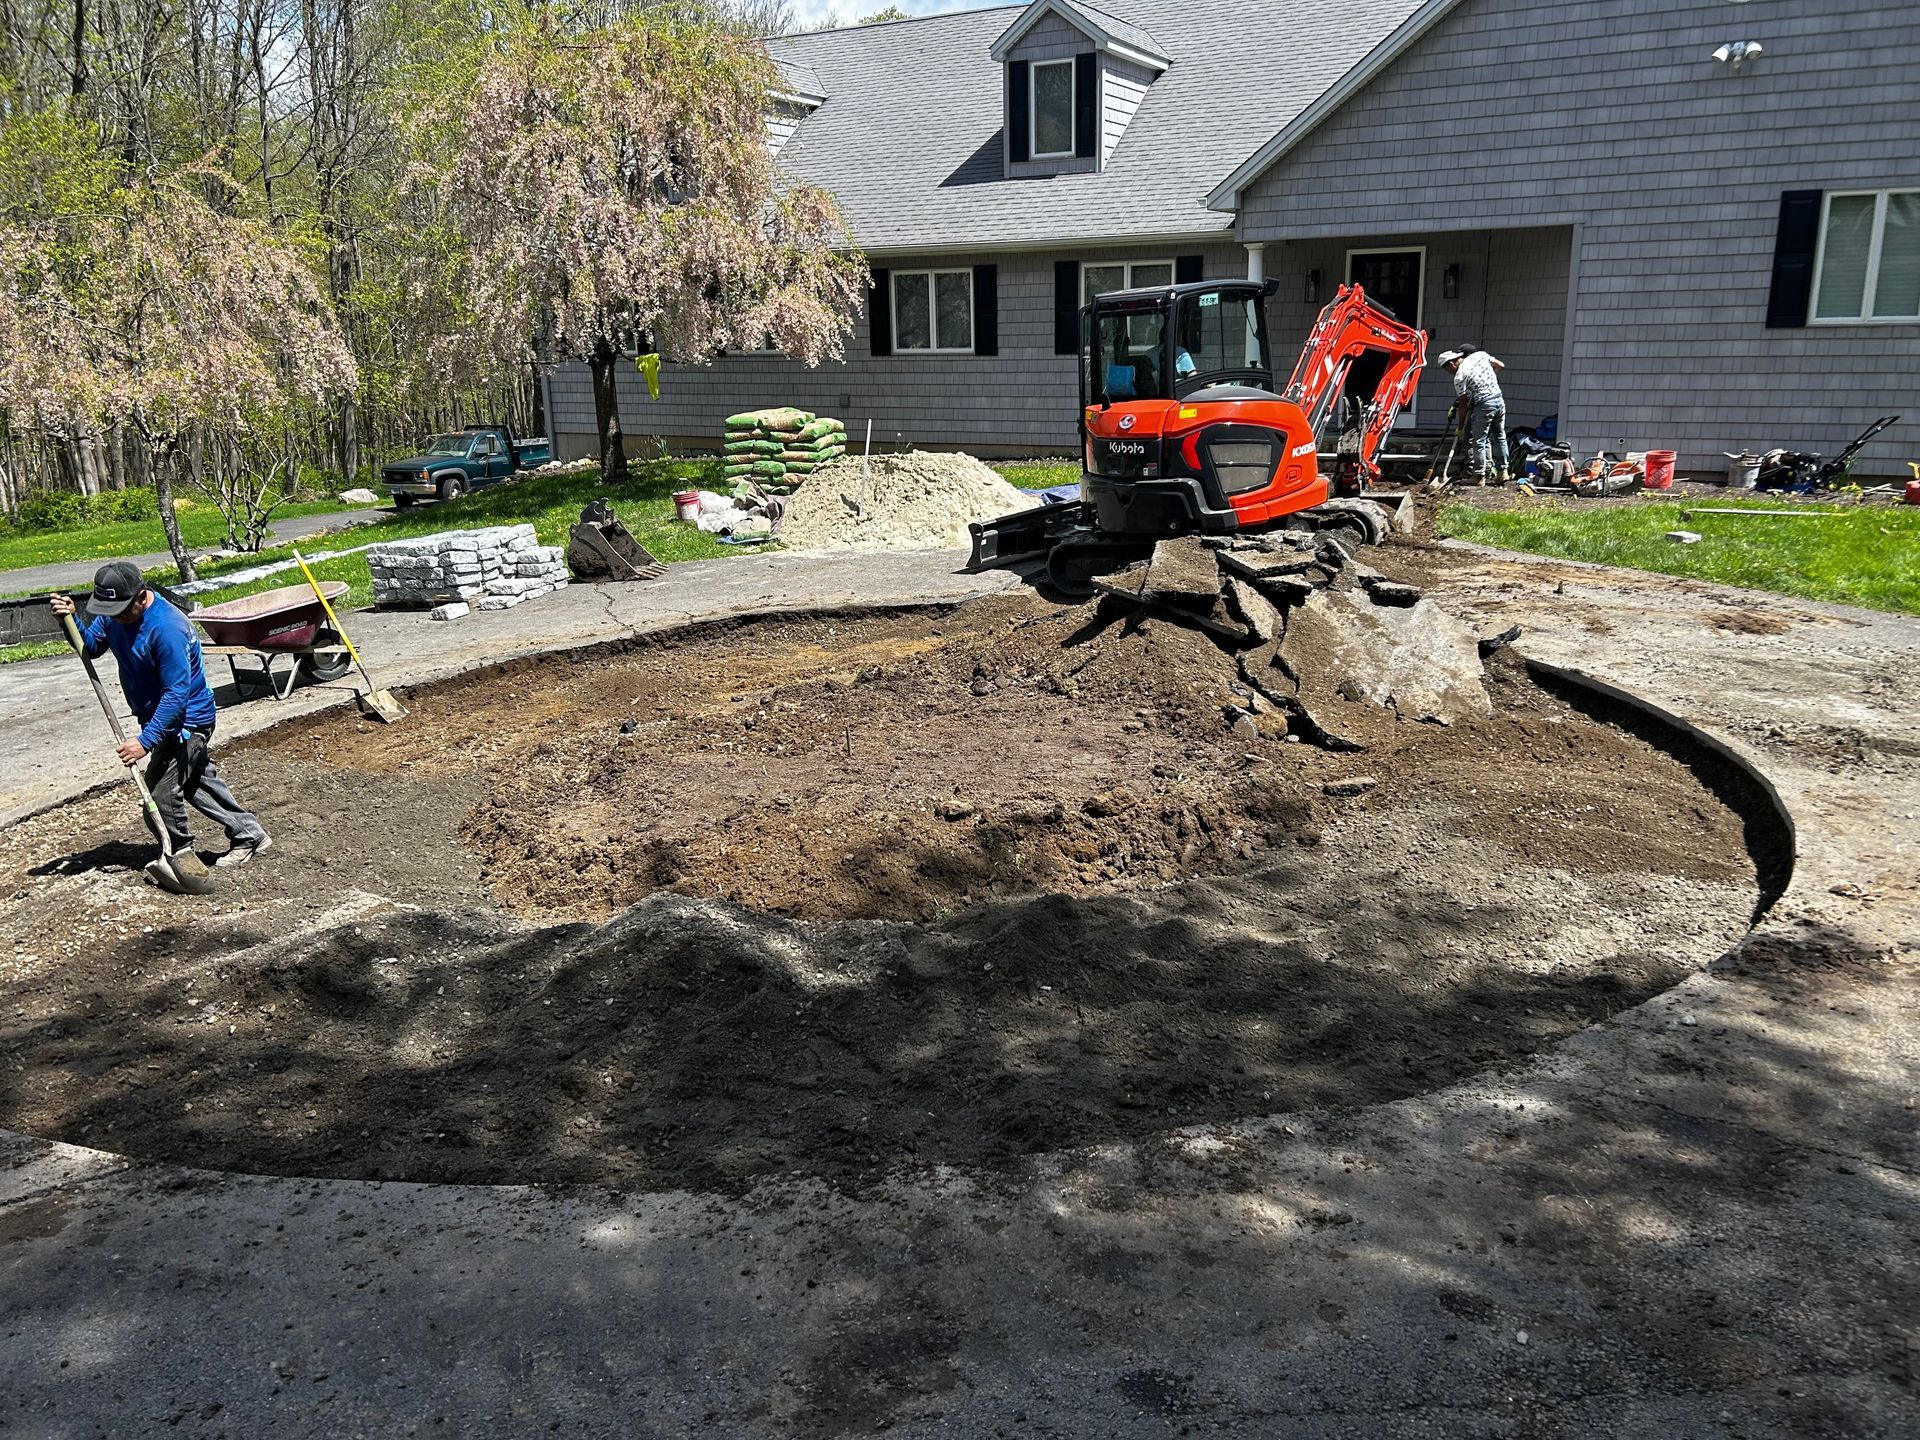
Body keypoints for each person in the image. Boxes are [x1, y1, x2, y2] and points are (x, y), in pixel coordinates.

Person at [50, 561, 272, 867]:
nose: (116, 618)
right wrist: (70, 621)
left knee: (159, 793)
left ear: (142, 597)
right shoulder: (116, 612)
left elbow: (176, 695)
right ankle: (249, 833)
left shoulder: (167, 628)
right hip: (156, 716)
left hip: (185, 721)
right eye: (109, 611)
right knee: (195, 781)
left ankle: (180, 854)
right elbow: (92, 646)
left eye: (122, 611)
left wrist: (145, 741)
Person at [1437, 346, 1509, 483]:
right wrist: (1489, 380)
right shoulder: (1480, 355)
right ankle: (1503, 472)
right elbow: (1500, 365)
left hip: (1484, 405)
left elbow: (1463, 406)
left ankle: (1479, 476)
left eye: (1447, 369)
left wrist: (1460, 428)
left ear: (1452, 363)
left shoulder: (1459, 377)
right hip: (1499, 400)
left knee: (1479, 441)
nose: (1449, 372)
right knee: (1500, 436)